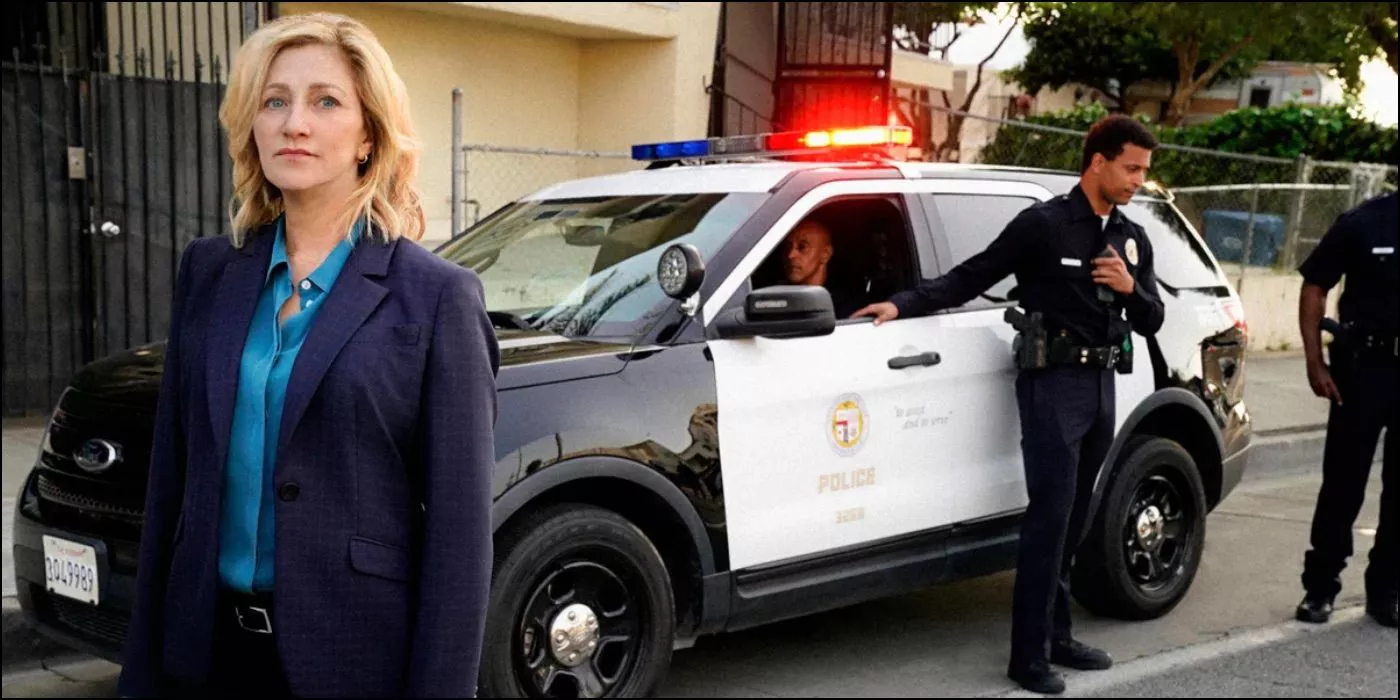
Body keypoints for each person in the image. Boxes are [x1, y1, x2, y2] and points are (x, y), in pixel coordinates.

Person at [116, 13, 500, 698]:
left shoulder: (437, 298)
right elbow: (172, 487)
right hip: (205, 656)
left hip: (353, 662)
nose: (295, 122)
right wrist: (141, 672)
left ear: (369, 134)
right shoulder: (209, 272)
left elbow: (459, 541)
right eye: (275, 100)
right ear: (252, 126)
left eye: (326, 101)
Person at [853, 115, 1165, 695]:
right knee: (1049, 517)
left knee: (1076, 518)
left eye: (1144, 171)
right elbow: (973, 275)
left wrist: (1131, 288)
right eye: (1131, 168)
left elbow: (1152, 319)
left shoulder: (1129, 237)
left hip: (1101, 386)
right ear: (1097, 161)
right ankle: (1028, 656)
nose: (1138, 181)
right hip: (1051, 385)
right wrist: (902, 304)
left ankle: (1059, 635)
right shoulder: (1043, 226)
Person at [1294, 190, 1397, 629]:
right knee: (1343, 481)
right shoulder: (1363, 221)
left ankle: (1387, 590)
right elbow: (1315, 285)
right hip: (1363, 369)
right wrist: (1314, 361)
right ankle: (1320, 588)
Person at [781, 218, 863, 318]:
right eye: (788, 247)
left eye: (802, 247)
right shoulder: (776, 299)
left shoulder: (844, 308)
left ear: (825, 254)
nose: (790, 255)